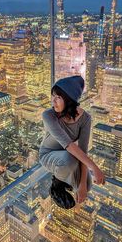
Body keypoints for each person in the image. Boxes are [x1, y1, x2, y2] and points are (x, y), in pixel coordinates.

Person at [39, 75, 105, 209]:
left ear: (69, 100)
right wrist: (95, 168)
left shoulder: (85, 119)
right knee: (69, 159)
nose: (53, 101)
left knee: (88, 185)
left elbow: (83, 150)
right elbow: (68, 145)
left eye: (58, 97)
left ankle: (66, 179)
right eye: (53, 96)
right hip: (49, 154)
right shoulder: (49, 115)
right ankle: (56, 186)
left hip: (68, 156)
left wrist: (82, 184)